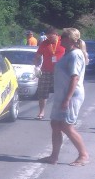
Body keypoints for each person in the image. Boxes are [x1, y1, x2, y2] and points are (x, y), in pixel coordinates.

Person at [37, 28, 89, 166]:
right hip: (62, 95)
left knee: (67, 126)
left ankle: (83, 156)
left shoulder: (75, 55)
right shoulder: (68, 54)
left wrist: (67, 99)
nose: (61, 38)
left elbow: (75, 78)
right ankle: (54, 156)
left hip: (71, 95)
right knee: (55, 124)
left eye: (64, 36)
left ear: (71, 40)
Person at [33, 27, 65, 119]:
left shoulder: (63, 42)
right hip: (46, 71)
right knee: (42, 92)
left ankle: (60, 113)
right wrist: (36, 65)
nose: (49, 39)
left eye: (51, 37)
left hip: (60, 72)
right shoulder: (44, 43)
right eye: (48, 37)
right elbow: (38, 56)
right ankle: (41, 112)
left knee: (61, 93)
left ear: (56, 35)